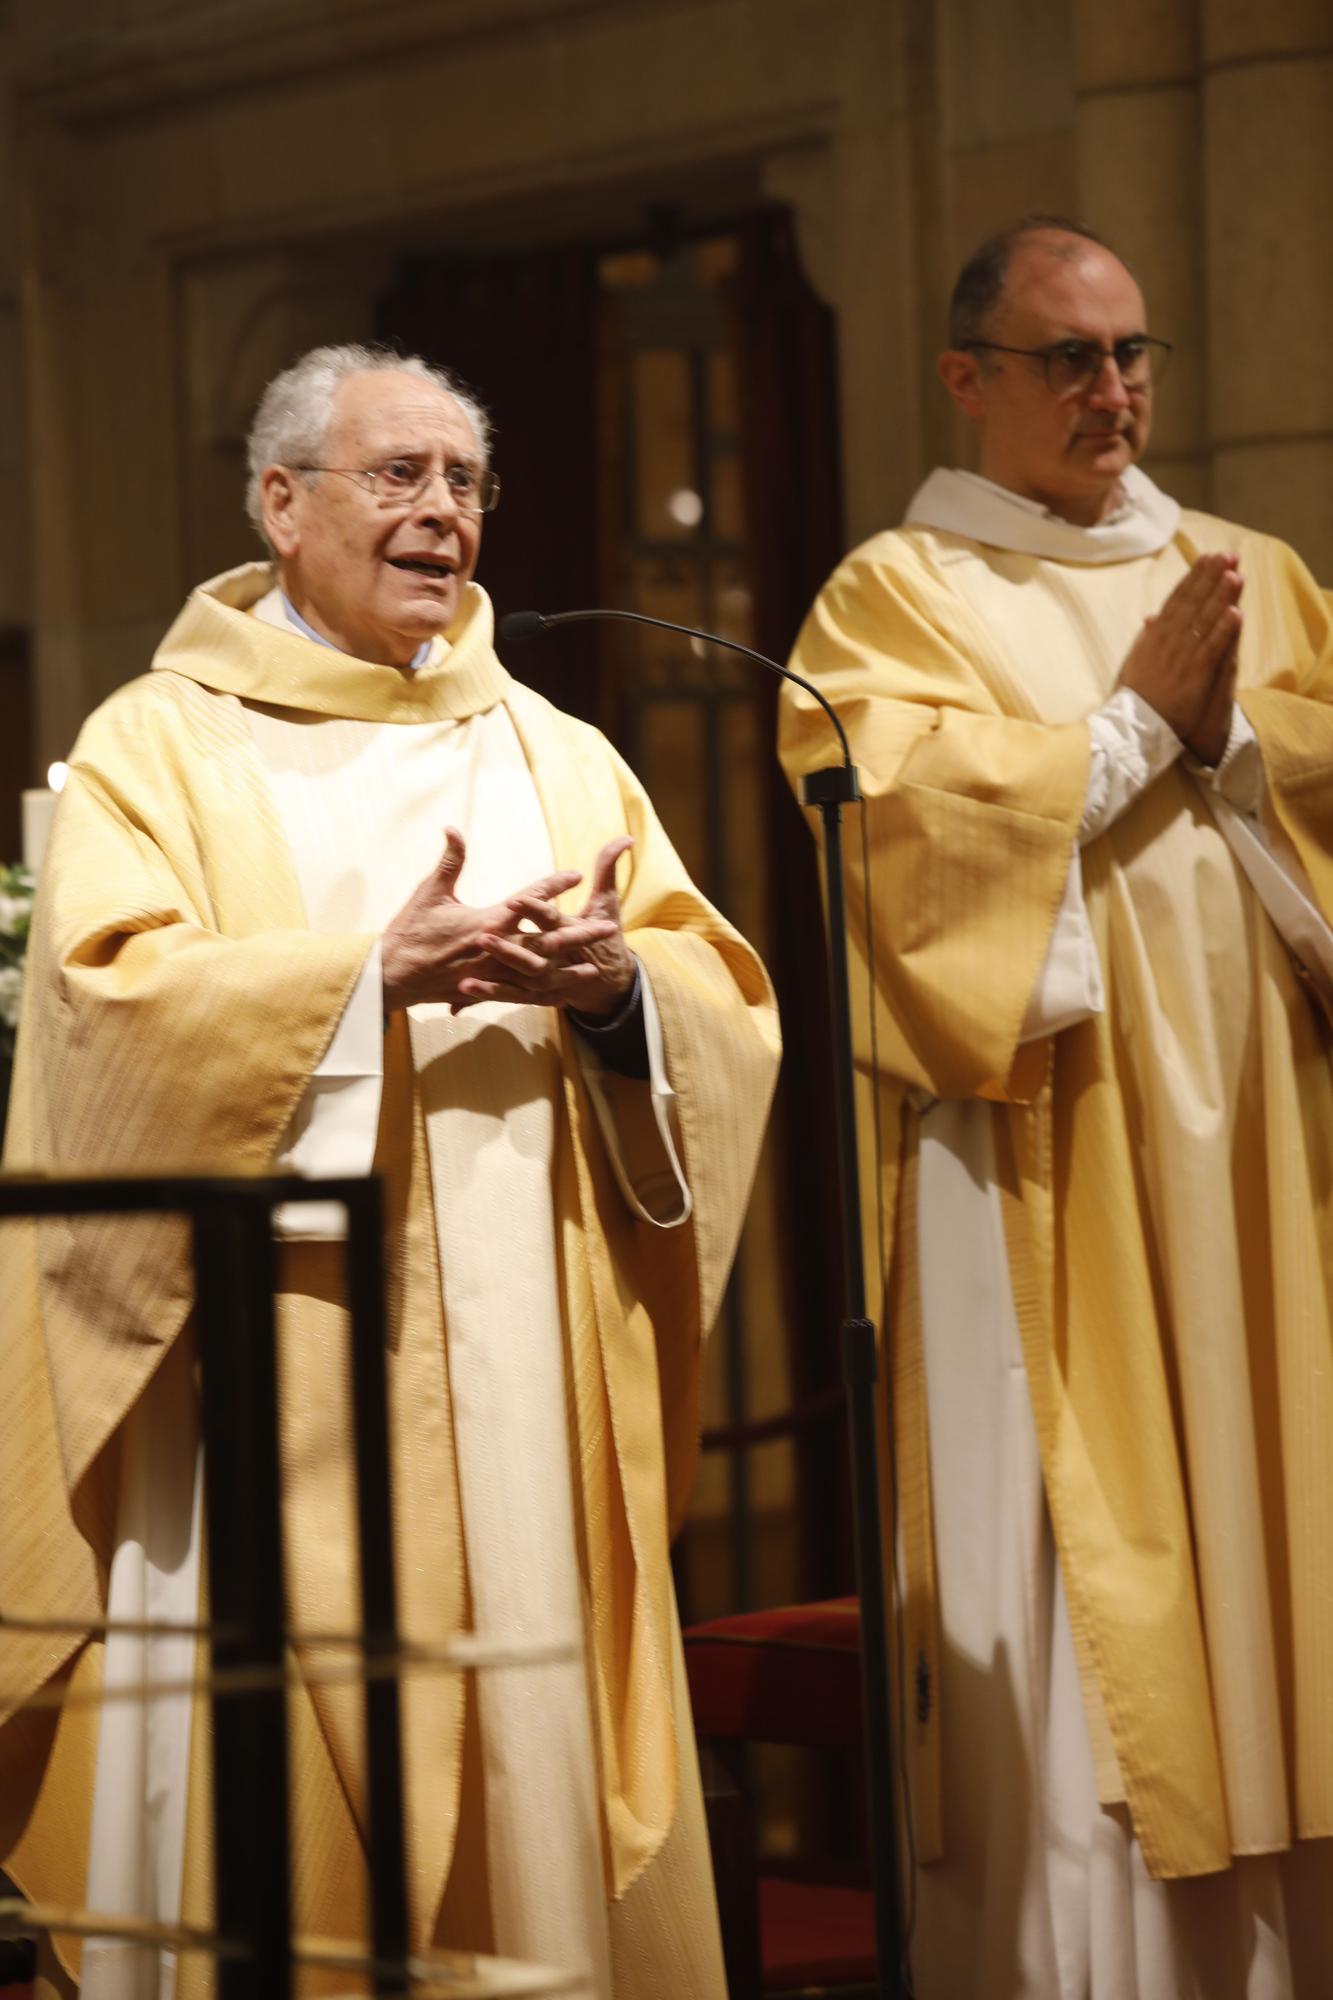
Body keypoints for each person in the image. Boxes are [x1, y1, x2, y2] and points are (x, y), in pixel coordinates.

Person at [0, 342, 780, 1999]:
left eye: (465, 482)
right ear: (280, 505)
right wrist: (363, 982)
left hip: (528, 1388)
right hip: (273, 1375)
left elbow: (716, 994)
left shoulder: (553, 747)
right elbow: (103, 1013)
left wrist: (618, 995)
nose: (443, 514)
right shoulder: (163, 744)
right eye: (398, 476)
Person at [781, 219, 1333, 1996]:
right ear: (966, 379)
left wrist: (1226, 735)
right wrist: (1125, 732)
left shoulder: (1250, 567)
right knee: (1097, 1573)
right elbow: (896, 838)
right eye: (1068, 359)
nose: (1114, 394)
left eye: (1131, 354)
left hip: (1261, 1157)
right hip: (1041, 1148)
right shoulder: (896, 596)